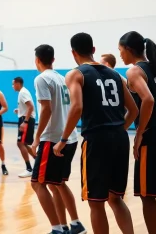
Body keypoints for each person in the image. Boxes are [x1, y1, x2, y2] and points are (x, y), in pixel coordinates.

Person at [53, 33, 138, 234]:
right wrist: (117, 131)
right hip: (120, 138)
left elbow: (76, 108)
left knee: (96, 202)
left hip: (96, 141)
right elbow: (133, 110)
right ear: (93, 49)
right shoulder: (116, 75)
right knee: (115, 198)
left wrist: (63, 140)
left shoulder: (76, 74)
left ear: (73, 53)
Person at [31, 44, 86, 234]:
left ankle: (56, 229)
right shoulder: (62, 78)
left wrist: (37, 138)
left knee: (37, 184)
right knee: (58, 183)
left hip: (52, 138)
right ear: (53, 60)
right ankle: (73, 224)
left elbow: (46, 109)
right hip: (68, 137)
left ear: (37, 60)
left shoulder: (41, 79)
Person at [119, 31, 156, 234]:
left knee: (148, 194)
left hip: (152, 136)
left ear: (129, 49)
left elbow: (148, 100)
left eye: (120, 50)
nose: (120, 55)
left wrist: (139, 134)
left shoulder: (134, 72)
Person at [12, 77, 36, 178]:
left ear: (18, 83)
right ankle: (38, 162)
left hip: (26, 120)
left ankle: (29, 169)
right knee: (24, 144)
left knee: (20, 143)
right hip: (25, 119)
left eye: (13, 84)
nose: (12, 86)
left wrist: (25, 122)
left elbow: (30, 106)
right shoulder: (22, 92)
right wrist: (20, 110)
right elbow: (28, 107)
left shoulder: (23, 92)